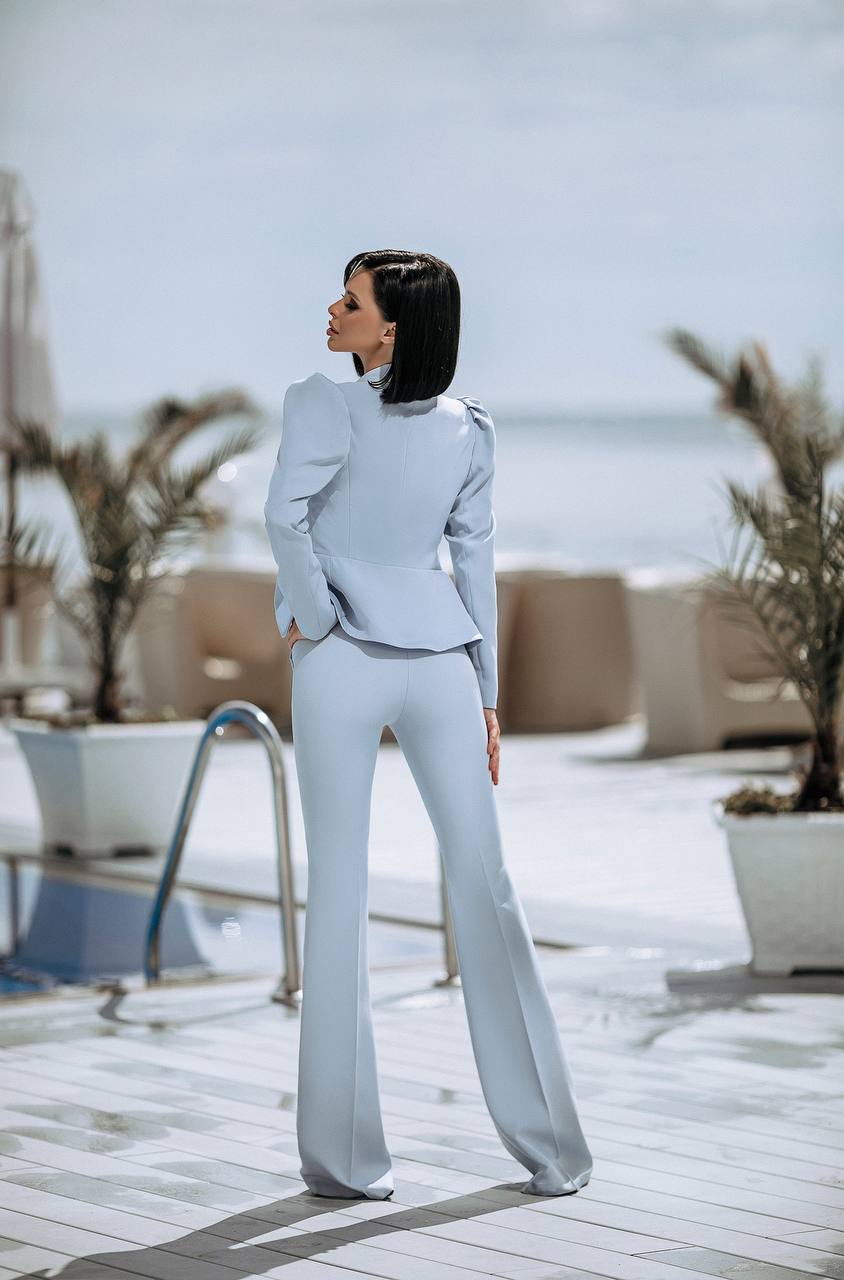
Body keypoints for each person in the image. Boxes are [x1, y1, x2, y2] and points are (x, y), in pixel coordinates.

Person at [264, 249, 593, 1201]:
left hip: (349, 661)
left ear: (394, 325)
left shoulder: (325, 406)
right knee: (486, 889)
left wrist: (317, 616)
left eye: (351, 298)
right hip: (442, 662)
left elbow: (285, 520)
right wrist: (486, 691)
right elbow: (473, 568)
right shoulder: (468, 429)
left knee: (345, 894)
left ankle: (346, 1162)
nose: (332, 308)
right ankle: (552, 1152)